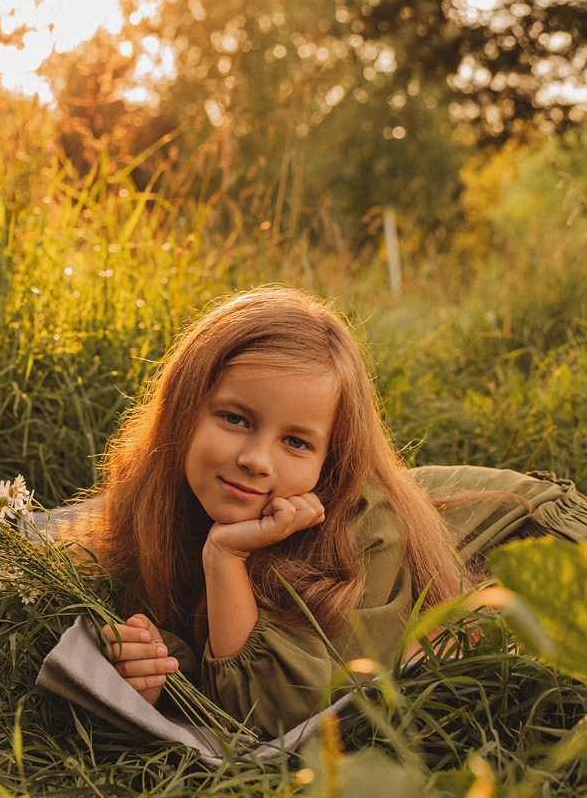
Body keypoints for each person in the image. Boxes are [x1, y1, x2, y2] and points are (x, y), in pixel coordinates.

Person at [41, 287, 587, 738]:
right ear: (184, 408)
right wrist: (157, 662)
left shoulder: (357, 530)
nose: (255, 461)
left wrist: (225, 555)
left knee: (465, 655)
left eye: (296, 443)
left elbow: (282, 713)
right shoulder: (155, 497)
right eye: (234, 418)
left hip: (540, 541)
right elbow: (180, 624)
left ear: (331, 462)